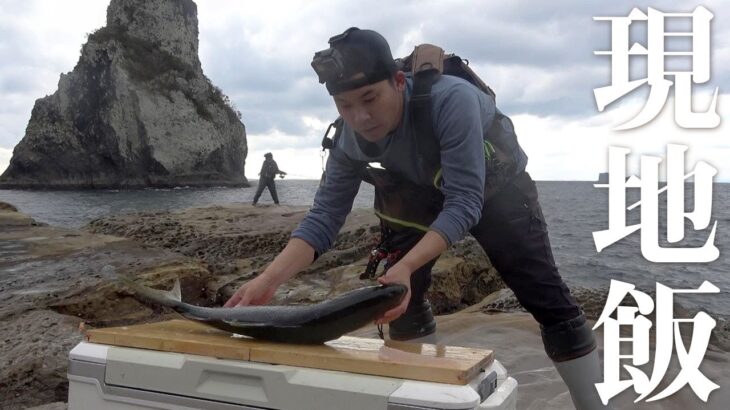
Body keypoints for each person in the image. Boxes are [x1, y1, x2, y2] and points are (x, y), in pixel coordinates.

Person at [227, 28, 606, 409]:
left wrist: (406, 265)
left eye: (370, 98)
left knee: (550, 304)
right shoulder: (349, 138)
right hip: (415, 196)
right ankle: (420, 401)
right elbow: (324, 217)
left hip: (494, 192)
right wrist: (266, 281)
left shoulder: (450, 100)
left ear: (397, 81)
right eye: (345, 105)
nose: (360, 117)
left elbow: (464, 203)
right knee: (398, 303)